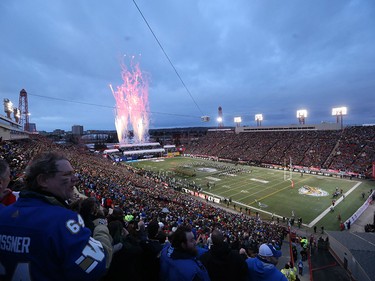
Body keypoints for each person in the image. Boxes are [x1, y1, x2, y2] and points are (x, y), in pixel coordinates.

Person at [0, 152, 112, 281]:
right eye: (67, 174)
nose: (75, 179)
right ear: (43, 180)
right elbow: (95, 265)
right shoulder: (62, 220)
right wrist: (101, 229)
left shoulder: (3, 214)